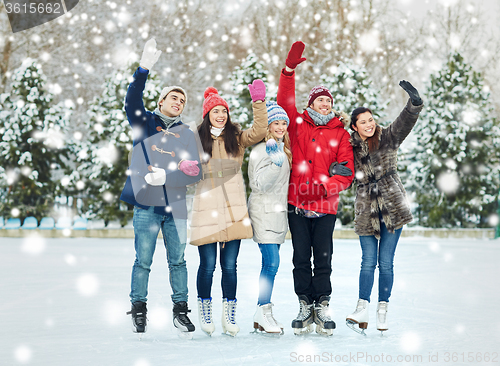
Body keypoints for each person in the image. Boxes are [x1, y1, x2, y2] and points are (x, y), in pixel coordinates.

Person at [120, 39, 202, 336]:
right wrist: (142, 71)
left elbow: (195, 172)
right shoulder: (144, 123)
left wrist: (168, 177)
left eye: (182, 101)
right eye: (173, 98)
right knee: (143, 261)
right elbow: (131, 101)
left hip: (176, 208)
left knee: (178, 262)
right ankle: (138, 310)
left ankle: (181, 312)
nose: (178, 103)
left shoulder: (185, 134)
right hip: (146, 206)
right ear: (161, 102)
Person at [277, 41, 354, 336]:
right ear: (311, 104)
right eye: (320, 100)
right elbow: (285, 103)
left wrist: (326, 188)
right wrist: (289, 71)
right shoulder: (298, 124)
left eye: (328, 100)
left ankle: (322, 304)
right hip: (297, 203)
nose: (325, 103)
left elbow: (346, 171)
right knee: (299, 257)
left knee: (323, 257)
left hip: (324, 205)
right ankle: (304, 304)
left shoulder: (341, 134)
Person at [190, 81, 268, 337]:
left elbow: (259, 131)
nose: (221, 115)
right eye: (215, 111)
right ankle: (205, 307)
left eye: (224, 111)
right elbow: (180, 158)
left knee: (230, 266)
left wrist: (258, 102)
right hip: (206, 212)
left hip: (234, 212)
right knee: (208, 265)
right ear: (207, 114)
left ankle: (229, 313)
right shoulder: (196, 138)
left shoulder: (236, 136)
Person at [345, 80, 424, 335]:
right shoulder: (350, 148)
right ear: (354, 127)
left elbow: (405, 121)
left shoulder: (388, 137)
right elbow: (344, 173)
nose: (369, 124)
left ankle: (382, 309)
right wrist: (338, 170)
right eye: (363, 122)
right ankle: (361, 308)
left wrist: (414, 103)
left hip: (392, 206)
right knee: (368, 261)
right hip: (366, 209)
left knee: (386, 262)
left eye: (371, 120)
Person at [247, 101, 292, 334]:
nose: (281, 126)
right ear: (268, 126)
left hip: (278, 215)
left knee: (271, 265)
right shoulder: (260, 150)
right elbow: (258, 184)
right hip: (263, 213)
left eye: (284, 122)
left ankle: (261, 312)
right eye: (276, 122)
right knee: (271, 263)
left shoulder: (283, 149)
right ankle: (263, 310)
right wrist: (275, 165)